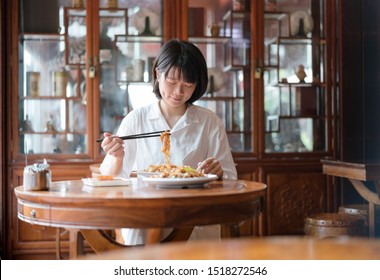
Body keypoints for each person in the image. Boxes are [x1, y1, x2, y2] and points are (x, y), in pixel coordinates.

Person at [99, 39, 237, 245]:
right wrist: (115, 155)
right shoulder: (136, 119)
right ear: (157, 74)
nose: (178, 92)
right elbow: (110, 177)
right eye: (172, 82)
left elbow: (231, 179)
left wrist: (217, 172)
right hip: (146, 220)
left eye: (188, 84)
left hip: (196, 222)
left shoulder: (210, 122)